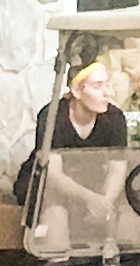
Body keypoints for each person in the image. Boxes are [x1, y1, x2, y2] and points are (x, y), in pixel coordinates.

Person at [11, 56, 130, 210]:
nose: (106, 93)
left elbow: (118, 168)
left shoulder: (114, 118)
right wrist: (91, 199)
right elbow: (53, 173)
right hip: (47, 187)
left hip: (90, 182)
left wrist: (105, 203)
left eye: (106, 85)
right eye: (97, 86)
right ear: (76, 91)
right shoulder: (52, 115)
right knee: (56, 212)